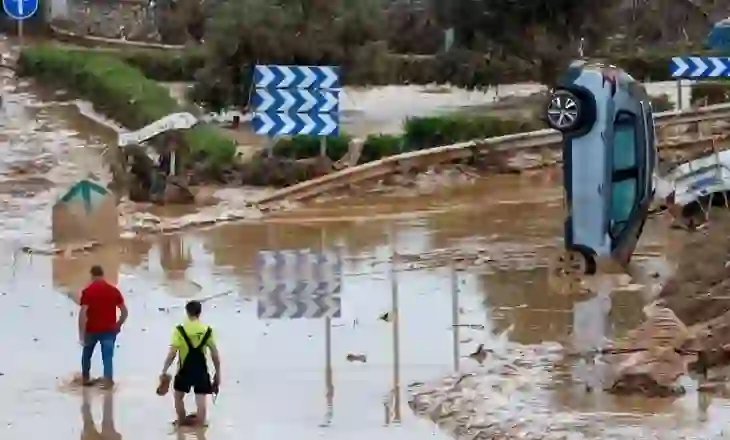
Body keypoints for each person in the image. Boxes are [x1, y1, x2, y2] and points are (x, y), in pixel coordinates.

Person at [160, 300, 221, 427]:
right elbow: (214, 353)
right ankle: (200, 424)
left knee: (178, 397)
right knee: (201, 400)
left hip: (184, 369)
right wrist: (218, 372)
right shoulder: (207, 330)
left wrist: (164, 370)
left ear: (187, 312)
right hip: (201, 369)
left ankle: (181, 421)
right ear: (200, 313)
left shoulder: (179, 330)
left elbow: (172, 353)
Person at [79, 265, 128, 388]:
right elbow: (124, 311)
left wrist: (81, 333)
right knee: (107, 356)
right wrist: (118, 325)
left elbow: (83, 314)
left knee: (87, 353)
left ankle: (85, 378)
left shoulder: (88, 291)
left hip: (91, 329)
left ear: (92, 275)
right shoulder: (113, 291)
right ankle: (108, 381)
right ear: (102, 275)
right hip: (109, 330)